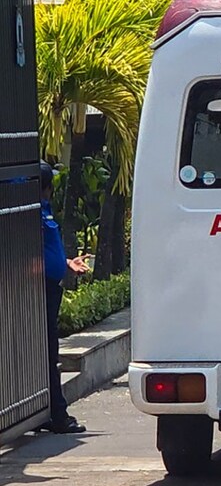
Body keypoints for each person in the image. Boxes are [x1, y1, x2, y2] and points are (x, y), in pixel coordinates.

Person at [39, 161, 89, 435]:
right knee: (46, 351)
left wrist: (67, 262)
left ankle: (45, 411)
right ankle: (57, 414)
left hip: (50, 287)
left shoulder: (45, 210)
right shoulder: (30, 213)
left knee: (46, 350)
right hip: (38, 291)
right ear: (46, 187)